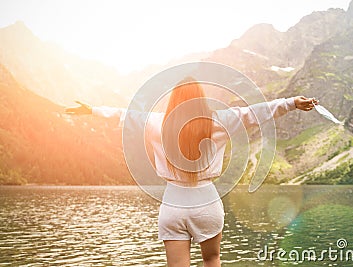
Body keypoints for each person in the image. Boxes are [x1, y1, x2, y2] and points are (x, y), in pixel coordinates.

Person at [66, 77, 317, 267]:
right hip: (207, 202)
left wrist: (91, 110)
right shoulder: (219, 121)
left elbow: (123, 115)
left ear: (173, 99)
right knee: (212, 259)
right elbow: (255, 113)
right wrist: (292, 103)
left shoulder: (156, 122)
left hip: (173, 204)